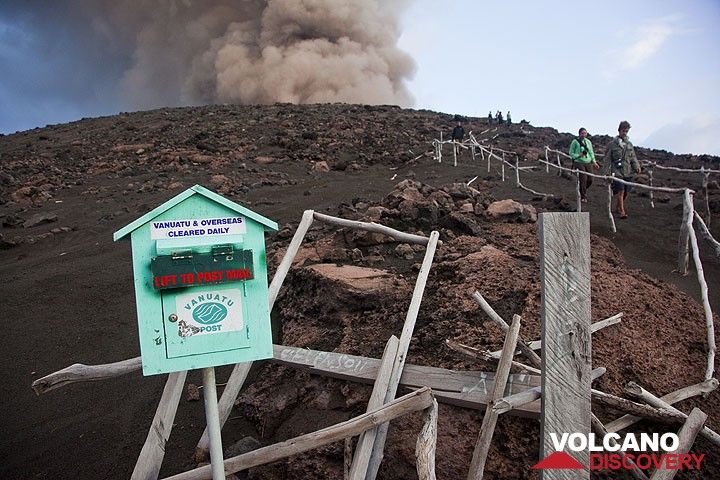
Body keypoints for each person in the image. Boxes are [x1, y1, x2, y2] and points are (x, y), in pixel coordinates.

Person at [602, 120, 641, 218]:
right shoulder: (612, 144)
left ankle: (617, 208)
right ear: (619, 130)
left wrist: (636, 166)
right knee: (621, 191)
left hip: (627, 171)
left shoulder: (629, 145)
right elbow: (607, 159)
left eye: (626, 131)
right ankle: (622, 212)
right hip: (617, 171)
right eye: (623, 131)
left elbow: (633, 157)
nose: (624, 133)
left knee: (626, 192)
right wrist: (606, 173)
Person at [569, 127, 599, 202]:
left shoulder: (588, 142)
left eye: (585, 133)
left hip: (588, 162)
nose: (584, 135)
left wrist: (594, 162)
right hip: (579, 161)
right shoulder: (575, 142)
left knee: (590, 179)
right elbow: (571, 153)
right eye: (582, 133)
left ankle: (582, 189)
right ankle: (583, 196)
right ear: (579, 134)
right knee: (583, 178)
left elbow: (591, 152)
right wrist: (578, 155)